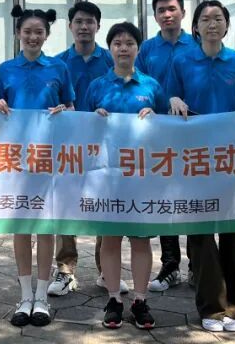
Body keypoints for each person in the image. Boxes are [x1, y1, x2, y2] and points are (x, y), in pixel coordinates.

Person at [167, 0, 235, 333]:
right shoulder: (182, 61)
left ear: (227, 25)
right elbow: (170, 97)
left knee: (232, 235)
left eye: (218, 18)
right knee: (201, 236)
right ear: (196, 27)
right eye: (205, 19)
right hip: (196, 160)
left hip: (232, 160)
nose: (212, 24)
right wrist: (173, 100)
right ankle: (211, 309)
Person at [0, 6, 75, 328]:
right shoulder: (5, 69)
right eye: (27, 31)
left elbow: (71, 107)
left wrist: (64, 111)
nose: (32, 37)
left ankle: (42, 296)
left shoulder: (59, 67)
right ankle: (24, 295)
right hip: (16, 159)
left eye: (38, 32)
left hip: (48, 157)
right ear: (18, 34)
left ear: (46, 35)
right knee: (21, 226)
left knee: (44, 226)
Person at [82, 21, 165, 330]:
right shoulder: (97, 86)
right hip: (107, 176)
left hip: (142, 175)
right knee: (111, 238)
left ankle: (140, 300)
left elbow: (168, 128)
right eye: (117, 43)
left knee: (141, 239)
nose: (123, 48)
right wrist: (93, 119)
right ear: (110, 49)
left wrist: (156, 118)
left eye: (129, 43)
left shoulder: (151, 86)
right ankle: (114, 298)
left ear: (138, 49)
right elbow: (80, 127)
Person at [50, 2, 121, 298]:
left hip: (105, 145)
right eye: (78, 21)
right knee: (65, 204)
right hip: (67, 146)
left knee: (105, 203)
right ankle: (65, 270)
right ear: (70, 26)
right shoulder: (58, 63)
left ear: (98, 26)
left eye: (89, 21)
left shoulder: (112, 60)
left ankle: (106, 271)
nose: (84, 27)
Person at [136, 0, 198, 292]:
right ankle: (170, 265)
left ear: (183, 12)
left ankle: (199, 265)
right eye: (161, 10)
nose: (167, 15)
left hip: (194, 131)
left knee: (196, 195)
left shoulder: (197, 45)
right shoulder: (147, 49)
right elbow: (138, 85)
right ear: (155, 15)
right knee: (165, 197)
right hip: (158, 134)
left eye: (172, 9)